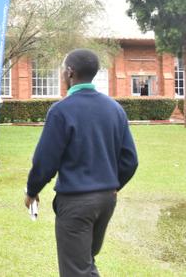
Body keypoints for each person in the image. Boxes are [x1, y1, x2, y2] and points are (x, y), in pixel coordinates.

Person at [25, 49, 138, 277]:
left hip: (77, 202)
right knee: (84, 263)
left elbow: (45, 160)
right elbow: (130, 160)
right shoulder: (115, 109)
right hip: (106, 200)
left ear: (70, 72)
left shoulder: (61, 110)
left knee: (77, 270)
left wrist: (32, 190)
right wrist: (112, 186)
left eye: (62, 70)